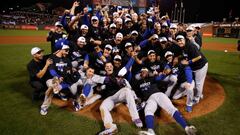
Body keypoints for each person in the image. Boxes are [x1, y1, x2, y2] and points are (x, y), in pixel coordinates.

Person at [132, 68, 197, 135]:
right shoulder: (137, 83)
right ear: (140, 73)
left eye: (146, 71)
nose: (144, 73)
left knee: (171, 109)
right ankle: (151, 132)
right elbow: (136, 94)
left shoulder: (152, 79)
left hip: (159, 94)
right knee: (148, 111)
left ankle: (187, 128)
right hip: (149, 99)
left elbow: (161, 81)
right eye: (143, 71)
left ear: (148, 73)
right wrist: (140, 101)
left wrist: (164, 75)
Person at [98, 62, 143, 135]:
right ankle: (111, 127)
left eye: (110, 66)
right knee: (103, 107)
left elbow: (126, 67)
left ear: (112, 67)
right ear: (105, 68)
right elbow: (99, 88)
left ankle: (136, 118)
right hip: (110, 99)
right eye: (107, 66)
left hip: (119, 95)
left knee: (127, 90)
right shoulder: (103, 77)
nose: (109, 67)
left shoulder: (117, 74)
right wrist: (100, 87)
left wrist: (132, 58)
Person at [176, 35, 208, 104]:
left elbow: (199, 57)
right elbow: (186, 55)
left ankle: (196, 99)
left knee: (198, 83)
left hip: (201, 66)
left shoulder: (190, 46)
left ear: (184, 40)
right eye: (178, 41)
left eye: (181, 40)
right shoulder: (183, 47)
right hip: (194, 66)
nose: (179, 42)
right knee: (196, 82)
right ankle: (199, 94)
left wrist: (188, 62)